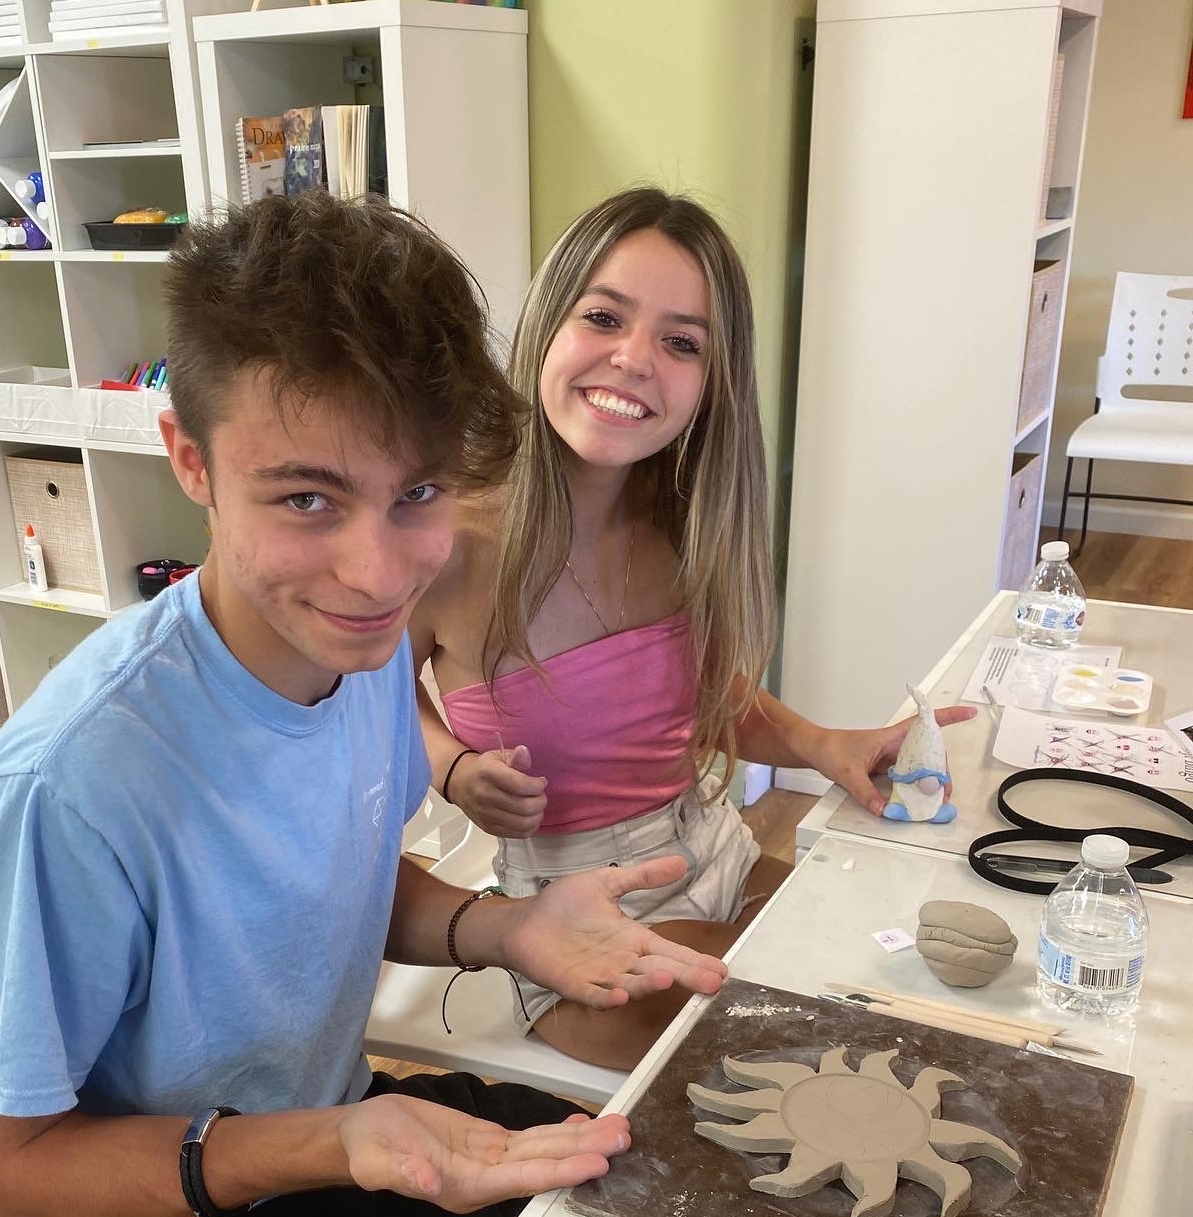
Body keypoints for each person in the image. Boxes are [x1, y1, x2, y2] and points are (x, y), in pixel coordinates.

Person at [0, 192, 726, 1217]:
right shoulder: (78, 785)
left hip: (326, 1147)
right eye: (307, 498)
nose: (377, 570)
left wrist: (503, 927)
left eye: (416, 495)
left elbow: (332, 874)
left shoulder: (355, 656)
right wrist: (329, 1144)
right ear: (190, 460)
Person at [413, 188, 974, 1071]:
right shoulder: (446, 539)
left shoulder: (681, 519)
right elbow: (362, 705)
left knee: (887, 971)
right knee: (810, 1043)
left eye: (683, 343)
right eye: (604, 317)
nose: (635, 359)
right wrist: (451, 766)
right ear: (547, 323)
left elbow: (695, 697)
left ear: (714, 384)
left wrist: (822, 743)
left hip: (716, 851)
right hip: (572, 912)